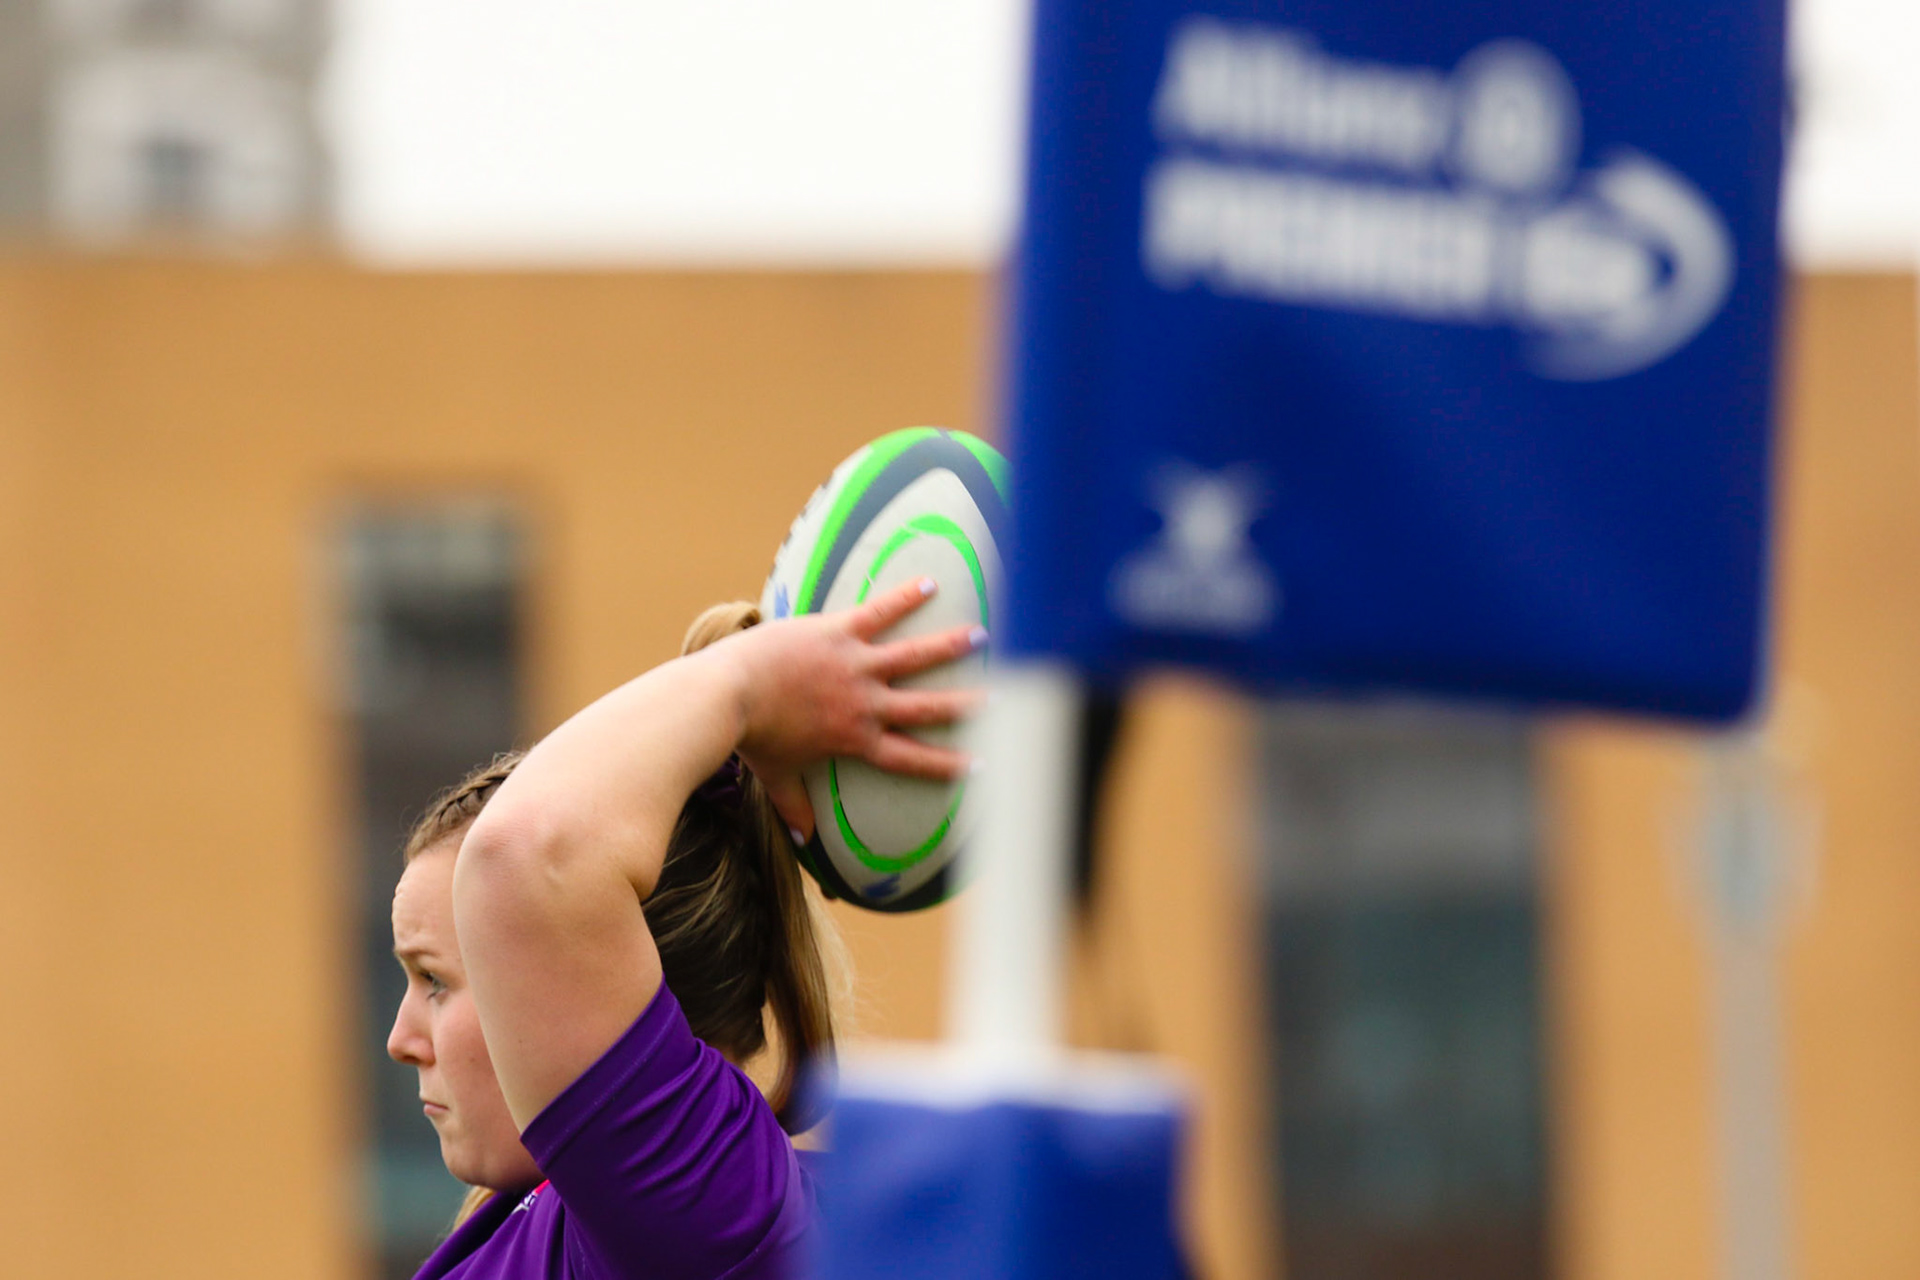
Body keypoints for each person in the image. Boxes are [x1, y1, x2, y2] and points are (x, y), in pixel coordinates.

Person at [385, 577, 983, 1280]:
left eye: (435, 980)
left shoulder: (707, 1215)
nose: (400, 1040)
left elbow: (526, 856)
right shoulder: (558, 1218)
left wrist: (748, 688)